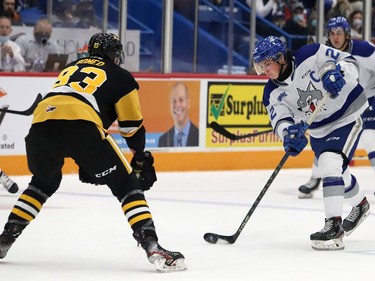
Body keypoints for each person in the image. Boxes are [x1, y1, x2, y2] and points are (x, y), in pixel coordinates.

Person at [0, 32, 186, 272]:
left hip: (39, 127)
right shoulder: (122, 76)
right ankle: (152, 246)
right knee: (127, 185)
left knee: (42, 183)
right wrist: (140, 158)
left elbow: (66, 109)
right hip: (83, 128)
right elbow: (131, 128)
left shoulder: (69, 68)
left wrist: (86, 159)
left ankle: (5, 238)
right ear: (114, 55)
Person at [253, 35, 369, 250]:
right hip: (319, 130)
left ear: (280, 58)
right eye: (260, 66)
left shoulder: (311, 53)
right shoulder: (271, 93)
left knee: (329, 163)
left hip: (348, 114)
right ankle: (360, 205)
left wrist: (337, 73)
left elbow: (349, 61)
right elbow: (280, 120)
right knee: (338, 171)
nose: (264, 70)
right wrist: (288, 135)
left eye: (267, 64)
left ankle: (333, 225)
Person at [298, 17, 375, 218]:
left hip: (369, 96)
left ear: (347, 34)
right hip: (342, 102)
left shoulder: (364, 50)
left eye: (339, 33)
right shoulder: (324, 53)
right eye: (332, 33)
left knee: (370, 140)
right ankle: (316, 178)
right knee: (324, 139)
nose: (335, 37)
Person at [158, 82, 199, 147]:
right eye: (174, 101)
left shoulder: (200, 137)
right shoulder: (163, 140)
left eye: (181, 100)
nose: (177, 105)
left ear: (188, 103)